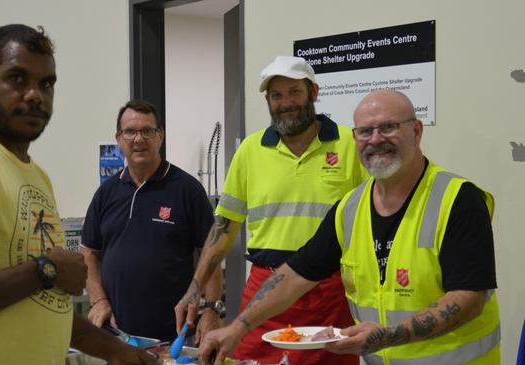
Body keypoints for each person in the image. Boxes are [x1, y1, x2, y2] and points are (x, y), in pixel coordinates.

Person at [0, 24, 159, 365]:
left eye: (46, 83)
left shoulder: (35, 175)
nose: (36, 95)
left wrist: (116, 351)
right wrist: (45, 270)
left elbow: (42, 300)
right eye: (17, 79)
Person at [197, 90, 501, 365]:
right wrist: (237, 327)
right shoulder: (350, 209)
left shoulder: (458, 200)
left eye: (389, 127)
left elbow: (467, 299)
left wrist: (389, 335)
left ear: (416, 132)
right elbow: (294, 275)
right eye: (365, 131)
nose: (376, 139)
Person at [175, 56, 367, 365]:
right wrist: (195, 289)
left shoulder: (350, 144)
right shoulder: (250, 151)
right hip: (265, 292)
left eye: (294, 92)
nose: (285, 103)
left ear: (314, 92)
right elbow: (224, 228)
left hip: (328, 292)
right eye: (277, 95)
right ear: (268, 100)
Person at [80, 99, 222, 343]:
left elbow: (212, 253)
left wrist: (211, 309)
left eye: (148, 130)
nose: (139, 139)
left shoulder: (187, 190)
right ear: (119, 139)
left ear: (160, 136)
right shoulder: (106, 194)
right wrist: (99, 300)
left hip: (174, 335)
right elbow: (88, 252)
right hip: (116, 336)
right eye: (130, 132)